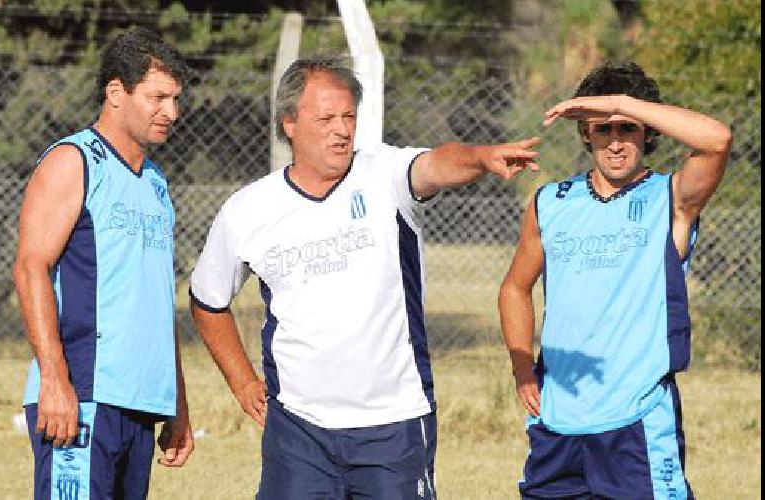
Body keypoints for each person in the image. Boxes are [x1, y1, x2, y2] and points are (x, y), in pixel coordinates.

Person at [188, 56, 540, 499]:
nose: (341, 129)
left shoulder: (383, 175)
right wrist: (242, 381)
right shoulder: (248, 209)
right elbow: (207, 300)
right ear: (290, 123)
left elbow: (438, 164)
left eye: (348, 116)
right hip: (299, 429)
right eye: (326, 118)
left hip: (394, 425)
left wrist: (481, 157)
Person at [497, 60, 732, 500]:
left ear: (647, 132)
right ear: (586, 133)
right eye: (603, 130)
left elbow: (717, 140)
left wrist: (624, 103)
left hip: (637, 423)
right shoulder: (551, 202)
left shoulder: (671, 199)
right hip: (558, 423)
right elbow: (514, 287)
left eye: (629, 128)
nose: (616, 143)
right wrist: (522, 368)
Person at [12, 25, 194, 499]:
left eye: (175, 99)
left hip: (140, 405)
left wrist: (177, 403)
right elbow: (30, 267)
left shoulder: (156, 183)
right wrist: (54, 380)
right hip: (83, 397)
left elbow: (157, 300)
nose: (171, 112)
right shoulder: (74, 161)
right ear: (116, 92)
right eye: (158, 97)